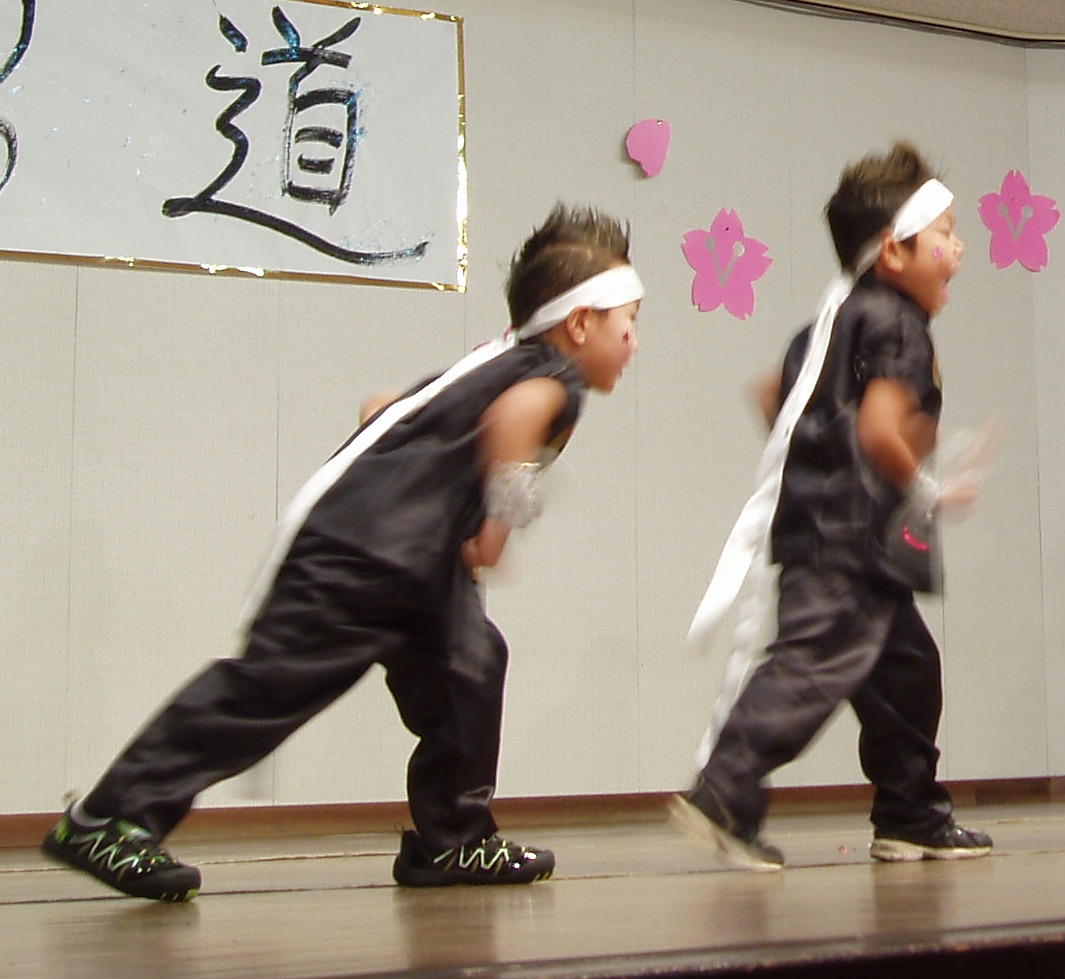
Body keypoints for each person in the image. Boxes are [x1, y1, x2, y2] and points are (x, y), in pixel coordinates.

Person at [45, 206, 643, 901]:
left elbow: (380, 407)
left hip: (410, 565)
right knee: (269, 687)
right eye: (628, 324)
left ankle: (454, 840)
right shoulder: (552, 379)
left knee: (471, 665)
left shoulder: (489, 364)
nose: (634, 342)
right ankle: (106, 818)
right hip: (366, 562)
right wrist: (493, 533)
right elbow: (515, 419)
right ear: (580, 324)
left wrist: (416, 489)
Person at [678, 142, 990, 871]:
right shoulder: (899, 324)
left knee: (908, 673)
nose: (959, 250)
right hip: (853, 542)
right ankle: (724, 790)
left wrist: (820, 464)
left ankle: (910, 814)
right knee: (813, 665)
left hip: (836, 536)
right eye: (945, 235)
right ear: (894, 251)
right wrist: (928, 486)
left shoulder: (827, 322)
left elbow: (772, 394)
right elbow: (880, 429)